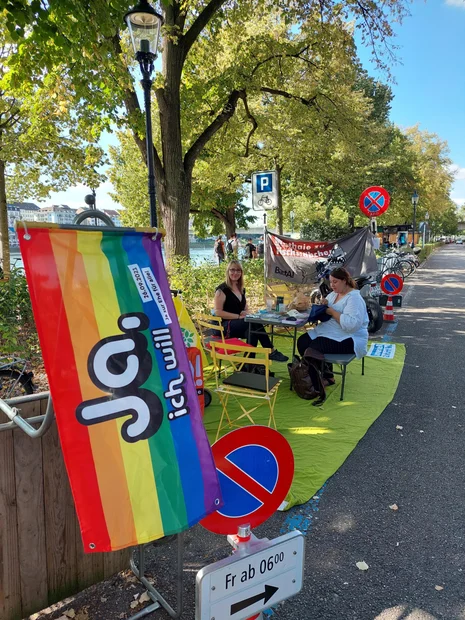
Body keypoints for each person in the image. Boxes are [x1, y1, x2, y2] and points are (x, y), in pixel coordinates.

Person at [297, 267, 368, 383]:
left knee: (313, 348)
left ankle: (318, 382)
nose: (332, 285)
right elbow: (327, 307)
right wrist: (323, 304)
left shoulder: (354, 299)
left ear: (344, 280)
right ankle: (326, 374)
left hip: (350, 338)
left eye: (335, 282)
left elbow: (351, 325)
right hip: (331, 331)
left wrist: (332, 312)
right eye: (330, 282)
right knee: (302, 342)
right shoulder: (334, 295)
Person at [214, 260, 288, 361]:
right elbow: (218, 312)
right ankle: (271, 351)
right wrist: (239, 316)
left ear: (241, 273)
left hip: (239, 323)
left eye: (238, 270)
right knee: (254, 324)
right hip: (224, 326)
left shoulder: (241, 289)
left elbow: (245, 308)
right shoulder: (222, 290)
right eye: (232, 270)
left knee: (253, 331)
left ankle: (247, 364)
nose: (235, 273)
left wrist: (245, 312)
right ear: (228, 271)